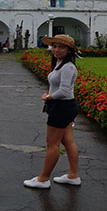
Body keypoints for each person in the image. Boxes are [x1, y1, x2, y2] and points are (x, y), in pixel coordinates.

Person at [24, 34, 81, 188]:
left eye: (61, 47)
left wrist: (49, 96)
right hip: (64, 107)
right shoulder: (59, 63)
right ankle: (73, 175)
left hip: (62, 107)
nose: (56, 50)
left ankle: (43, 179)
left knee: (52, 144)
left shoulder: (68, 67)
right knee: (68, 141)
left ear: (69, 50)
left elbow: (64, 91)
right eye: (54, 46)